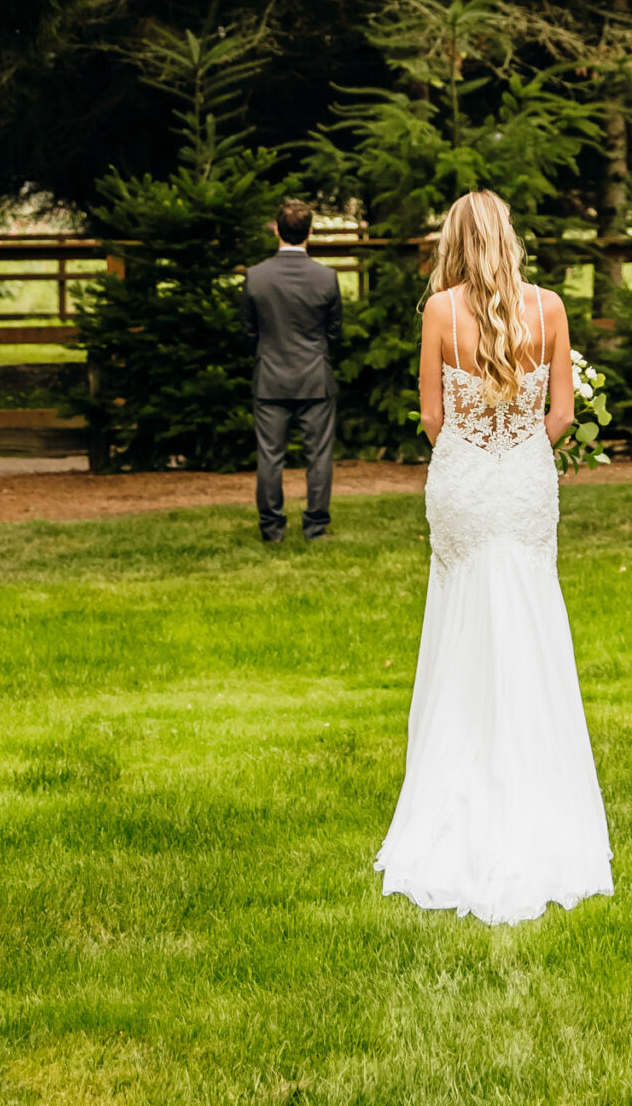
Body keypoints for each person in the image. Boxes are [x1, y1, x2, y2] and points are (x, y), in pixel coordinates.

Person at [375, 188, 613, 925]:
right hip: (523, 483)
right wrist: (518, 453)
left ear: (454, 238)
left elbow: (433, 417)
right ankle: (540, 788)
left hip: (464, 483)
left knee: (461, 624)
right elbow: (564, 414)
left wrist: (481, 450)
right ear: (508, 236)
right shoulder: (549, 308)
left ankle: (457, 780)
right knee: (530, 616)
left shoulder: (441, 310)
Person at [240, 199, 343, 545]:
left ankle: (272, 530)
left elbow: (249, 332)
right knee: (319, 457)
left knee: (270, 457)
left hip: (270, 379)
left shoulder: (256, 277)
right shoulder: (326, 277)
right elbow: (334, 333)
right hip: (315, 378)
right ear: (310, 231)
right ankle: (315, 528)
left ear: (275, 230)